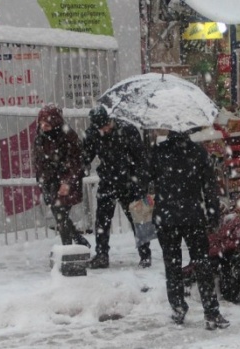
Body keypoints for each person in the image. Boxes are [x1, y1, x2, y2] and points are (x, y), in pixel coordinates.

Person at [148, 130, 229, 330]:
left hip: (166, 217)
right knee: (202, 263)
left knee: (172, 264)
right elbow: (209, 186)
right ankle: (211, 312)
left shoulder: (158, 152)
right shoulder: (197, 152)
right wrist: (213, 214)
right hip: (192, 216)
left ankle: (177, 309)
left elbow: (144, 179)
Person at [83, 105, 151, 269]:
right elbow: (86, 155)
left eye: (106, 125)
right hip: (108, 180)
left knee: (138, 219)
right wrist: (82, 166)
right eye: (100, 128)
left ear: (110, 120)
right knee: (102, 220)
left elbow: (141, 158)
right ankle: (102, 254)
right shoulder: (93, 133)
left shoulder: (128, 130)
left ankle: (145, 255)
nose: (104, 130)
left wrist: (141, 183)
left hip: (130, 181)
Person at [34, 104, 90, 248]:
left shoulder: (68, 136)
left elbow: (75, 162)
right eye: (41, 123)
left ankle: (68, 249)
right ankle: (79, 241)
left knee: (61, 215)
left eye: (47, 124)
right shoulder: (40, 136)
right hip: (49, 180)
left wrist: (67, 182)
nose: (43, 127)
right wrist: (42, 182)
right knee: (59, 214)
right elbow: (38, 159)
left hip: (65, 180)